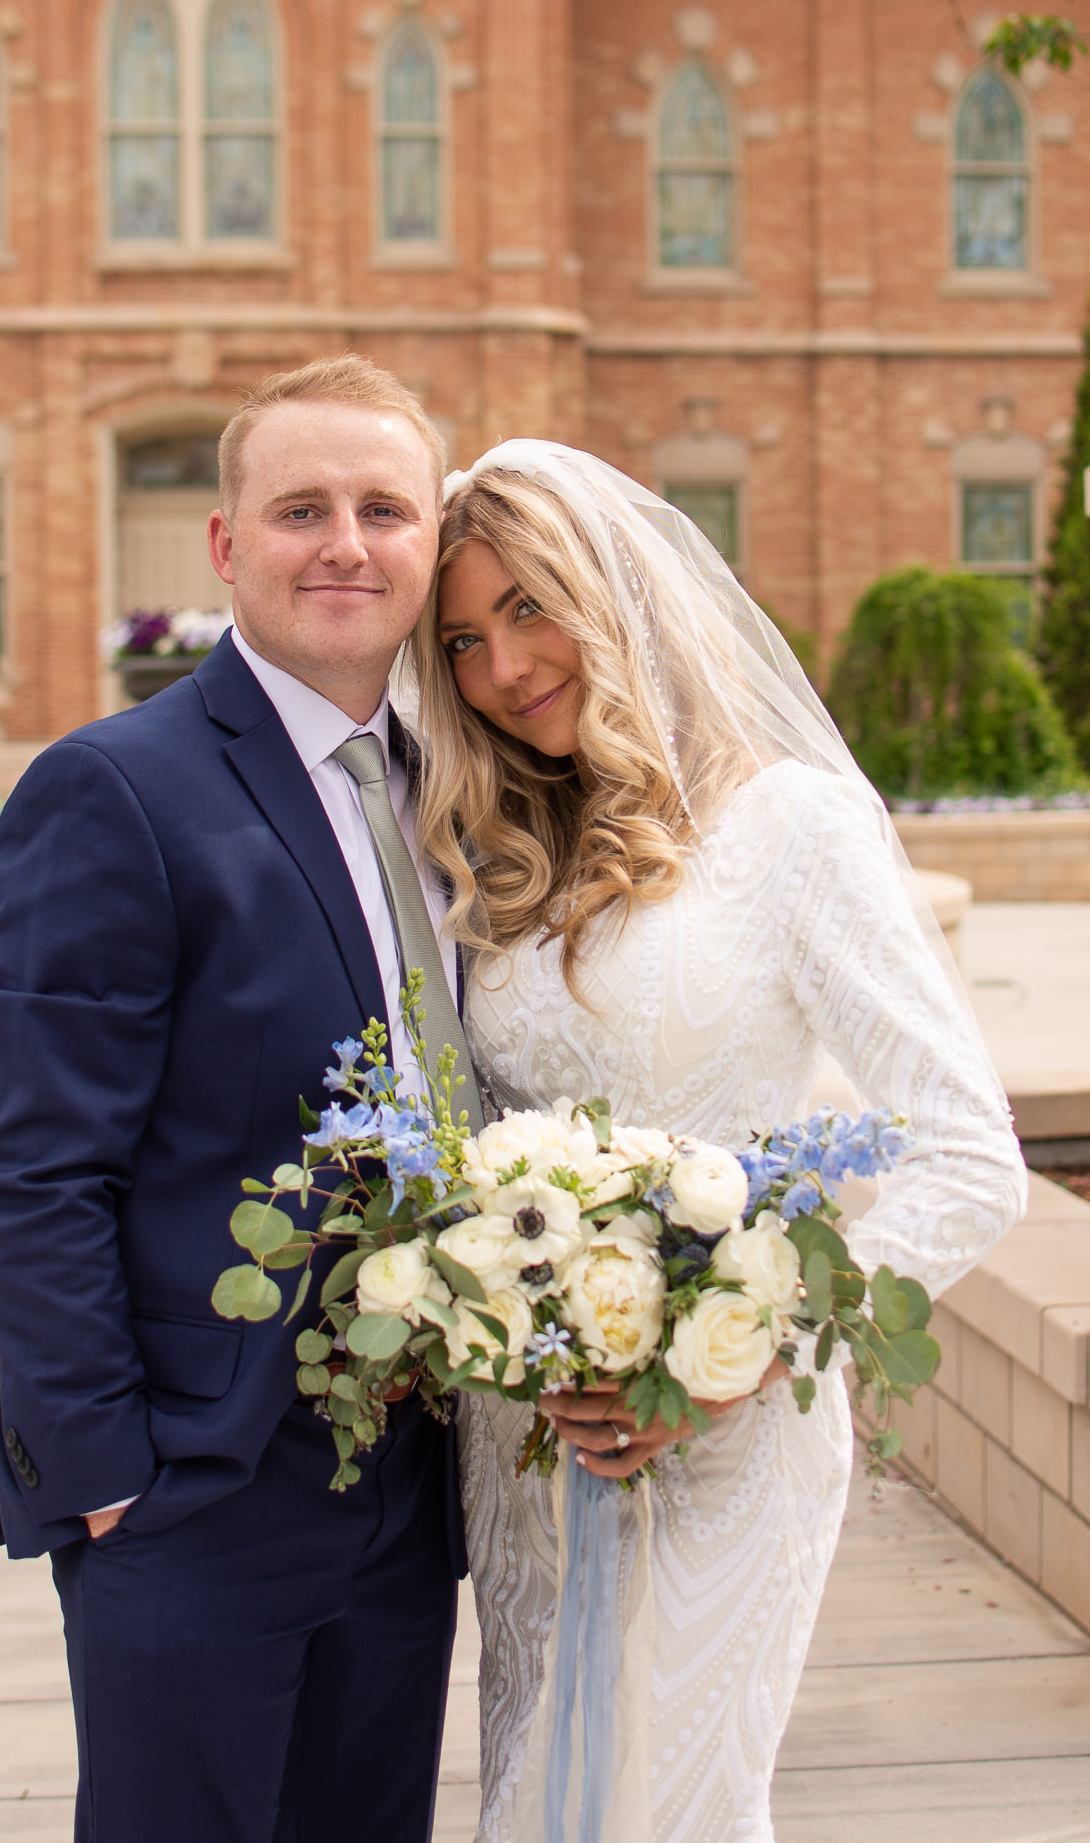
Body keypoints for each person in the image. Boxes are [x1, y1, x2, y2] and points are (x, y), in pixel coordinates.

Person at [405, 440, 1026, 1843]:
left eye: (529, 607)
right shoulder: (498, 854)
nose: (503, 668)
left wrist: (744, 1354)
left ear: (617, 593)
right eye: (461, 638)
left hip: (731, 1436)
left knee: (672, 1801)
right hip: (534, 1437)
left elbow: (968, 1154)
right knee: (535, 1793)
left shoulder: (791, 827)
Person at [0, 355, 477, 1843]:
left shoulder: (449, 793)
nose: (347, 545)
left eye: (385, 509)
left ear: (430, 545)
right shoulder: (115, 789)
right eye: (302, 508)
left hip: (408, 1478)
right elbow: (32, 1170)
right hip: (195, 1488)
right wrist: (113, 1476)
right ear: (227, 543)